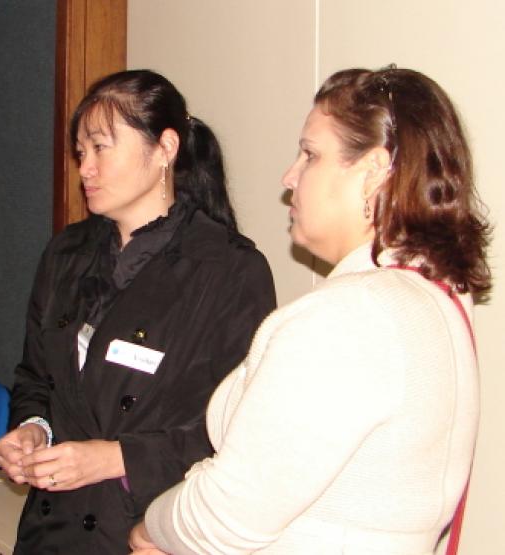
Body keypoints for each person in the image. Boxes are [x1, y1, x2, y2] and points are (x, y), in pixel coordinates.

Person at [130, 66, 491, 554]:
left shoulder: (349, 321)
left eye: (310, 154)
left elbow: (228, 514)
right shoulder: (438, 299)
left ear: (373, 171)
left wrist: (151, 527)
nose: (290, 176)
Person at [0, 69, 276, 554]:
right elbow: (35, 377)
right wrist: (31, 430)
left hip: (148, 528)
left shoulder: (229, 269)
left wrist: (117, 458)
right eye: (81, 153)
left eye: (102, 148)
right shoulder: (65, 254)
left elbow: (240, 429)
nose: (85, 169)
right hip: (51, 528)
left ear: (165, 148)